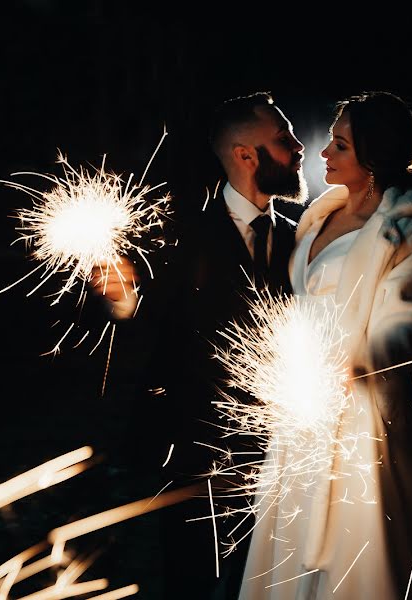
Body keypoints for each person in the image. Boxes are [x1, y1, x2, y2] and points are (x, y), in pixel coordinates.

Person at [239, 92, 412, 599]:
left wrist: (357, 362)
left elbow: (406, 322)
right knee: (288, 535)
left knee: (355, 548)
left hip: (356, 409)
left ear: (372, 158)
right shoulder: (316, 218)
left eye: (340, 144)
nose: (324, 152)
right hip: (303, 406)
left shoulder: (401, 232)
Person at [92, 91, 307, 599]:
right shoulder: (180, 235)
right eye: (284, 138)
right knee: (194, 585)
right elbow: (143, 320)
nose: (299, 148)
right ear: (245, 155)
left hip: (286, 455)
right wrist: (121, 300)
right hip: (198, 459)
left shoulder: (304, 239)